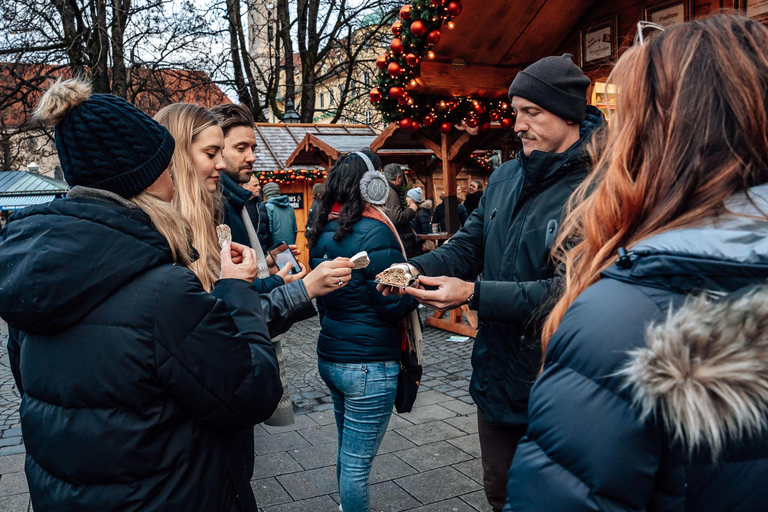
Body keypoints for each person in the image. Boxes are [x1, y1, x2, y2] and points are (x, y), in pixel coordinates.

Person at [504, 15, 768, 511]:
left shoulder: (627, 318)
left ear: (658, 136)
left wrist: (474, 293)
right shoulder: (507, 180)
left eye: (626, 116)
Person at [0, 78, 282, 511]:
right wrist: (235, 289)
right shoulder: (164, 290)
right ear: (146, 179)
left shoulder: (30, 275)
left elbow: (42, 392)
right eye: (167, 167)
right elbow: (252, 391)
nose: (174, 178)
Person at [379, 53, 604, 511]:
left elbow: (573, 293)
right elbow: (467, 247)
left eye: (531, 112)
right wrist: (413, 269)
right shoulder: (504, 177)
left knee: (559, 501)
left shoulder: (600, 186)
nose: (518, 125)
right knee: (500, 494)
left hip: (562, 384)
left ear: (568, 114)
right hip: (497, 380)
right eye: (516, 111)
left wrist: (474, 293)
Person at [307, 150, 418, 512]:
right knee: (357, 464)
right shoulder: (375, 231)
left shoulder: (321, 230)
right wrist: (415, 293)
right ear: (372, 185)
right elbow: (391, 301)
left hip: (333, 355)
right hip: (368, 364)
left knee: (348, 451)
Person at [383, 163, 419, 257]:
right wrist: (411, 210)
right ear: (398, 177)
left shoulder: (387, 190)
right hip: (403, 241)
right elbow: (396, 218)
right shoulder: (391, 192)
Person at [262, 182, 298, 246]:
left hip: (275, 247)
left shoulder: (268, 207)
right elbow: (295, 229)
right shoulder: (289, 207)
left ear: (266, 193)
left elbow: (269, 230)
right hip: (290, 245)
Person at [242, 174, 271, 253]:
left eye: (258, 185)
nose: (259, 188)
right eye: (255, 185)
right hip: (244, 250)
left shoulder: (260, 204)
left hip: (261, 249)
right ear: (245, 187)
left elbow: (266, 228)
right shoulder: (239, 204)